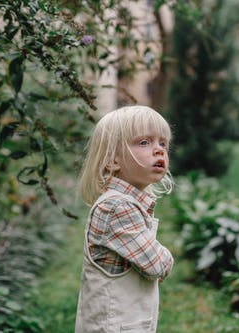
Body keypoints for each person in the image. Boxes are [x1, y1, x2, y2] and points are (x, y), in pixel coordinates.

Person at [75, 105, 174, 333]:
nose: (159, 150)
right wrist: (167, 258)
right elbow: (156, 265)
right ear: (112, 160)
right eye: (144, 142)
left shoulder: (123, 203)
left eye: (163, 143)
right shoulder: (117, 207)